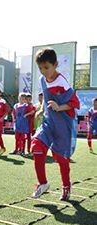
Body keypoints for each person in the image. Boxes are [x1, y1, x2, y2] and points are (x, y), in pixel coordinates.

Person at [31, 48, 80, 201]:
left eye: (46, 67)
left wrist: (59, 107)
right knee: (36, 147)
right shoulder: (41, 80)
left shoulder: (62, 82)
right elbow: (47, 96)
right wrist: (42, 109)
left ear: (55, 64)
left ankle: (66, 186)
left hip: (63, 124)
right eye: (40, 68)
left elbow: (74, 103)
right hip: (48, 121)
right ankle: (43, 183)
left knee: (60, 157)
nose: (43, 71)